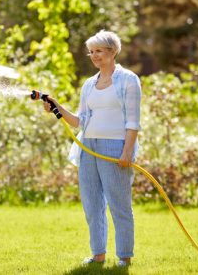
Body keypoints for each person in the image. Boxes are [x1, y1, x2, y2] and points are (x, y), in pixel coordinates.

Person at [43, 30, 141, 267]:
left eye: (99, 51)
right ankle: (98, 255)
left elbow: (133, 122)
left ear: (113, 51)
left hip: (115, 147)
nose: (94, 56)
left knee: (119, 205)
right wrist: (57, 107)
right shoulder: (89, 84)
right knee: (92, 204)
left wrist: (127, 152)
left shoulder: (128, 80)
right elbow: (80, 121)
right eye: (91, 52)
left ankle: (124, 258)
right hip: (88, 147)